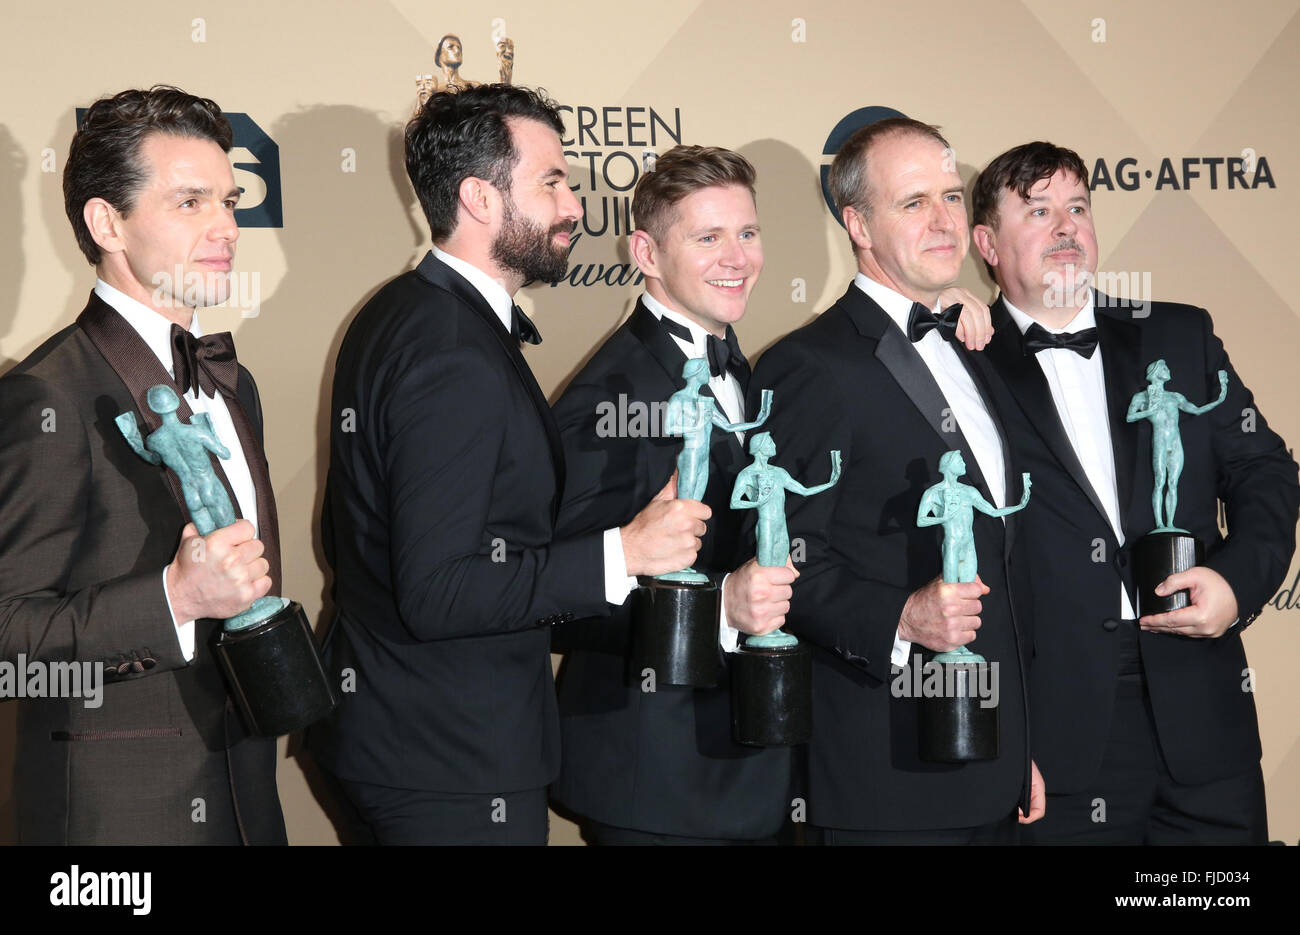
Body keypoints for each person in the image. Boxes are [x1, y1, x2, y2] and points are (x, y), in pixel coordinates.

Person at [307, 85, 707, 845]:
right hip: (447, 762)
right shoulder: (450, 349)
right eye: (551, 182)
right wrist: (623, 552)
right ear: (479, 198)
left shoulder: (404, 311)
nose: (575, 206)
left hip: (404, 736)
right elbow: (438, 588)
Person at [970, 141, 1299, 843]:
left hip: (1205, 720)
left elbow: (1265, 470)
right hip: (1050, 732)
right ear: (986, 243)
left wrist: (1237, 582)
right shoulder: (958, 362)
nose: (1066, 227)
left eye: (1078, 207)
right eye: (1038, 211)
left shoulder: (1178, 335)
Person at [0, 85, 285, 844]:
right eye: (190, 202)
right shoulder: (45, 395)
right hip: (118, 820)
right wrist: (176, 598)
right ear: (107, 222)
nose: (227, 226)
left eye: (230, 200)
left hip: (247, 794)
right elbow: (7, 639)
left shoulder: (233, 380)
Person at [750, 116, 1044, 843]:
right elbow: (784, 558)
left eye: (950, 196)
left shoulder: (973, 345)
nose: (944, 220)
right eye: (913, 203)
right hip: (883, 785)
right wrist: (900, 617)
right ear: (857, 223)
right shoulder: (809, 365)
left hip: (992, 767)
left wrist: (1021, 745)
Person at [549, 146, 799, 844]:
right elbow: (559, 601)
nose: (737, 257)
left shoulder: (742, 364)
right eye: (708, 237)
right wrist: (718, 603)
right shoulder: (608, 397)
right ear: (647, 253)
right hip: (657, 776)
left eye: (747, 233)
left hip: (748, 762)